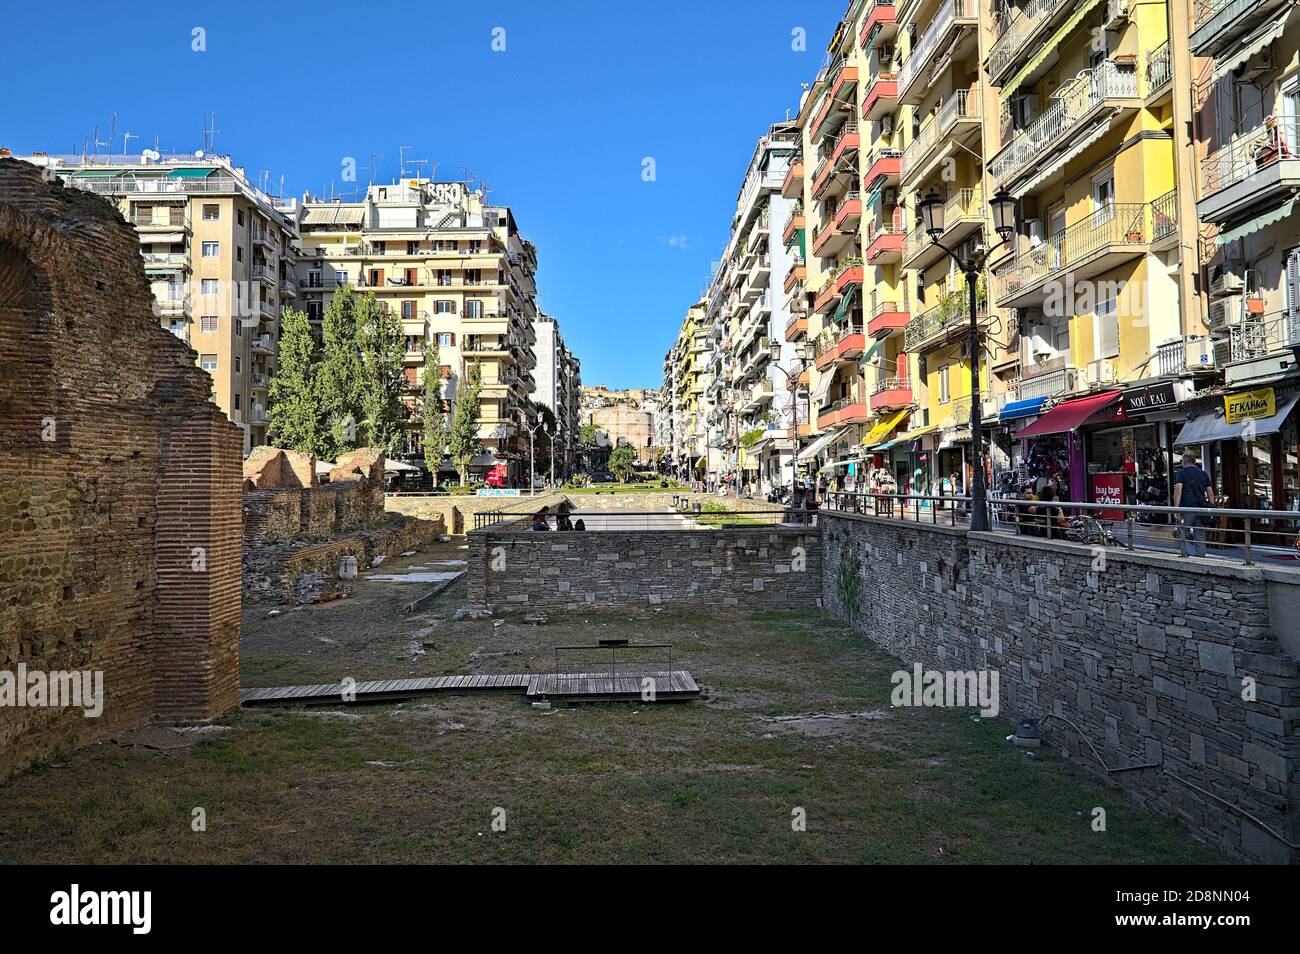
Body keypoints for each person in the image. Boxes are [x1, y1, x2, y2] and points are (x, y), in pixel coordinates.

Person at [1173, 450, 1216, 557]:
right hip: (1201, 509)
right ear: (1194, 461)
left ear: (1184, 461)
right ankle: (1201, 556)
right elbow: (1210, 494)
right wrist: (1212, 509)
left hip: (1187, 509)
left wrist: (1176, 509)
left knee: (1180, 533)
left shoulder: (1181, 474)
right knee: (1200, 535)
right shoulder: (1203, 474)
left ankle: (1192, 554)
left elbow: (1178, 491)